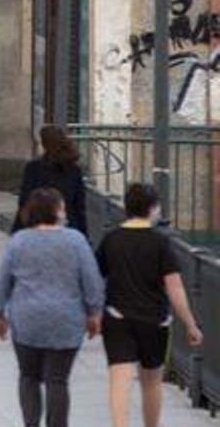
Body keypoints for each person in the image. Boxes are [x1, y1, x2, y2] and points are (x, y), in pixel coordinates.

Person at [0, 188, 105, 427]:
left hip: (27, 321)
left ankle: (31, 423)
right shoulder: (76, 241)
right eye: (62, 207)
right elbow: (91, 280)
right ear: (56, 211)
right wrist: (94, 312)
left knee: (28, 376)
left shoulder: (18, 241)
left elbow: (1, 283)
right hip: (66, 321)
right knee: (58, 380)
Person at [97, 183, 204, 427]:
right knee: (152, 381)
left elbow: (96, 278)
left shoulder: (111, 239)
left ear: (126, 207)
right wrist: (190, 324)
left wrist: (92, 313)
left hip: (117, 317)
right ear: (154, 209)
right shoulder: (161, 243)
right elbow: (175, 288)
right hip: (155, 321)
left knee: (119, 377)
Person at [14, 125, 87, 234]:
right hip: (68, 226)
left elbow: (24, 200)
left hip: (37, 226)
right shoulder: (74, 170)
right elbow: (79, 205)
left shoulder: (33, 168)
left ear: (45, 144)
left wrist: (18, 229)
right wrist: (83, 232)